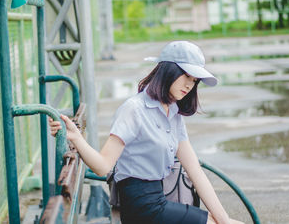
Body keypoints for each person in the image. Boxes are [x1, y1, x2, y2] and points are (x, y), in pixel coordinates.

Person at [49, 41, 244, 224]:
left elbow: (195, 171)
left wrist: (224, 219)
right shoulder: (134, 109)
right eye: (186, 76)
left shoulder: (173, 114)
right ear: (168, 70)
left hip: (159, 200)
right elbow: (103, 166)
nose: (189, 85)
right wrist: (75, 137)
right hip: (140, 207)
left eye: (194, 81)